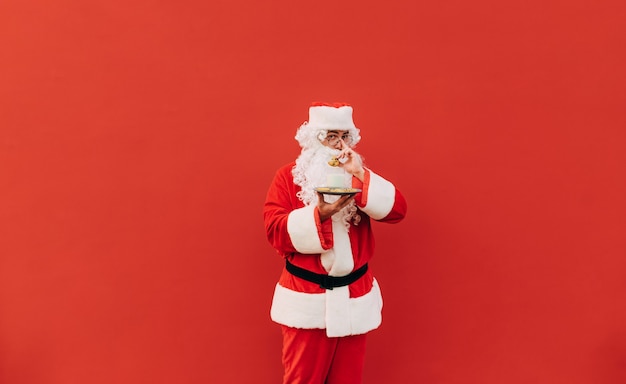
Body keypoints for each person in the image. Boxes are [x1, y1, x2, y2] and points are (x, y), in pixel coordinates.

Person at [263, 102, 407, 384]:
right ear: (313, 139)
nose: (339, 145)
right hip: (308, 298)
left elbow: (398, 211)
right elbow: (275, 230)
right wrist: (319, 215)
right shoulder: (287, 178)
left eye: (344, 137)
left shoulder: (358, 178)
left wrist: (362, 174)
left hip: (355, 298)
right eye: (331, 136)